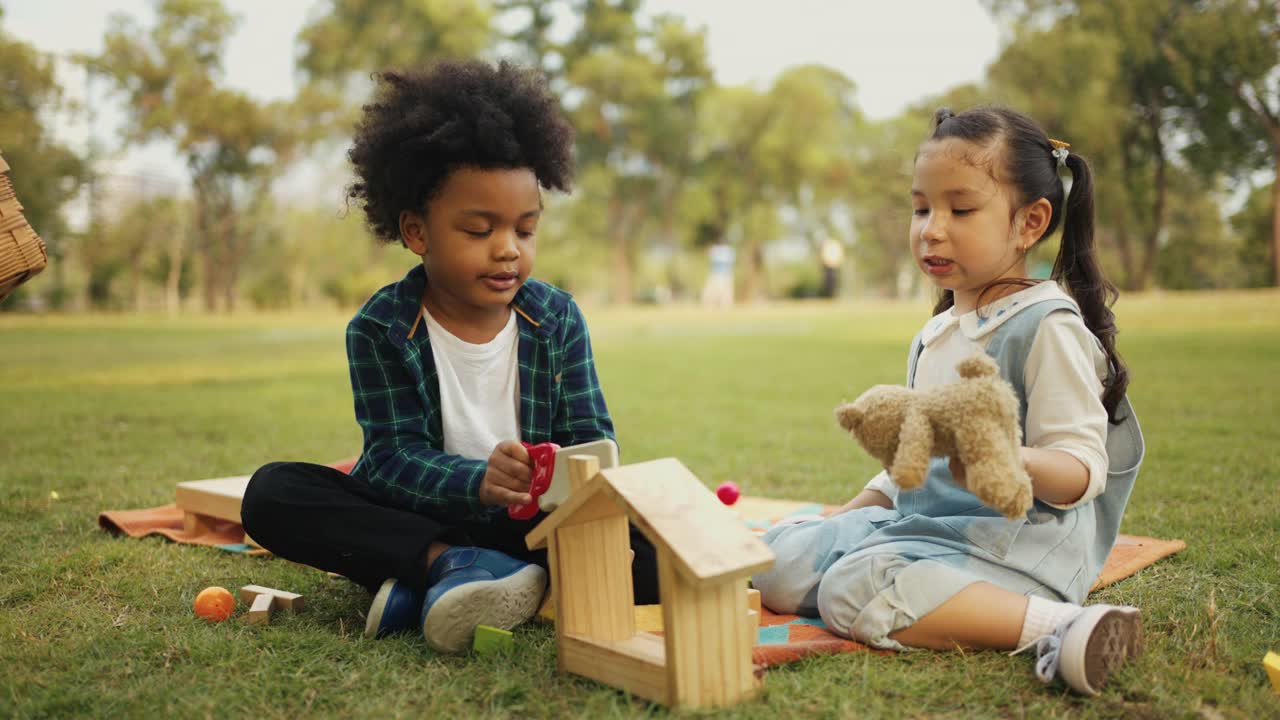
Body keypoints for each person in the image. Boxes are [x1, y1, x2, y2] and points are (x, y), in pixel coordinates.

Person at [240, 60, 659, 653]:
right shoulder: (382, 327)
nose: (508, 250)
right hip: (420, 519)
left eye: (525, 229)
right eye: (479, 230)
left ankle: (433, 581)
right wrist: (478, 482)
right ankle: (451, 564)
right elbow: (390, 460)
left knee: (658, 560)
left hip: (534, 532)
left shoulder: (557, 318)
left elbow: (591, 438)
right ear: (417, 232)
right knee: (274, 492)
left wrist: (556, 480)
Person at [752, 106, 1146, 696]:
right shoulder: (935, 333)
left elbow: (1082, 472)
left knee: (851, 588)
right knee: (771, 560)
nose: (931, 228)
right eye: (920, 208)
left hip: (1016, 545)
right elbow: (913, 464)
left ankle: (1062, 626)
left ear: (1029, 222)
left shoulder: (1046, 327)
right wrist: (849, 516)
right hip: (924, 529)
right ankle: (867, 563)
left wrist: (1011, 460)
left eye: (960, 210)